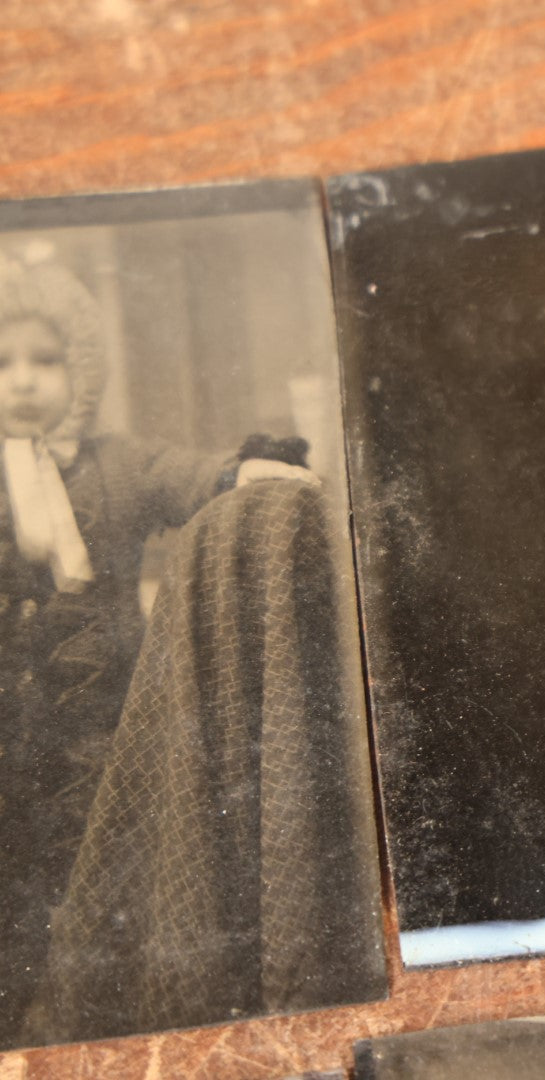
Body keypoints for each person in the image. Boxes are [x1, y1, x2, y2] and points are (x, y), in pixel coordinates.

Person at [0, 259, 314, 1037]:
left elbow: (194, 478)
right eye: (3, 362)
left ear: (80, 368)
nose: (24, 381)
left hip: (113, 731)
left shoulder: (118, 460)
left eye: (45, 361)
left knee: (105, 886)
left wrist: (247, 470)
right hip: (12, 741)